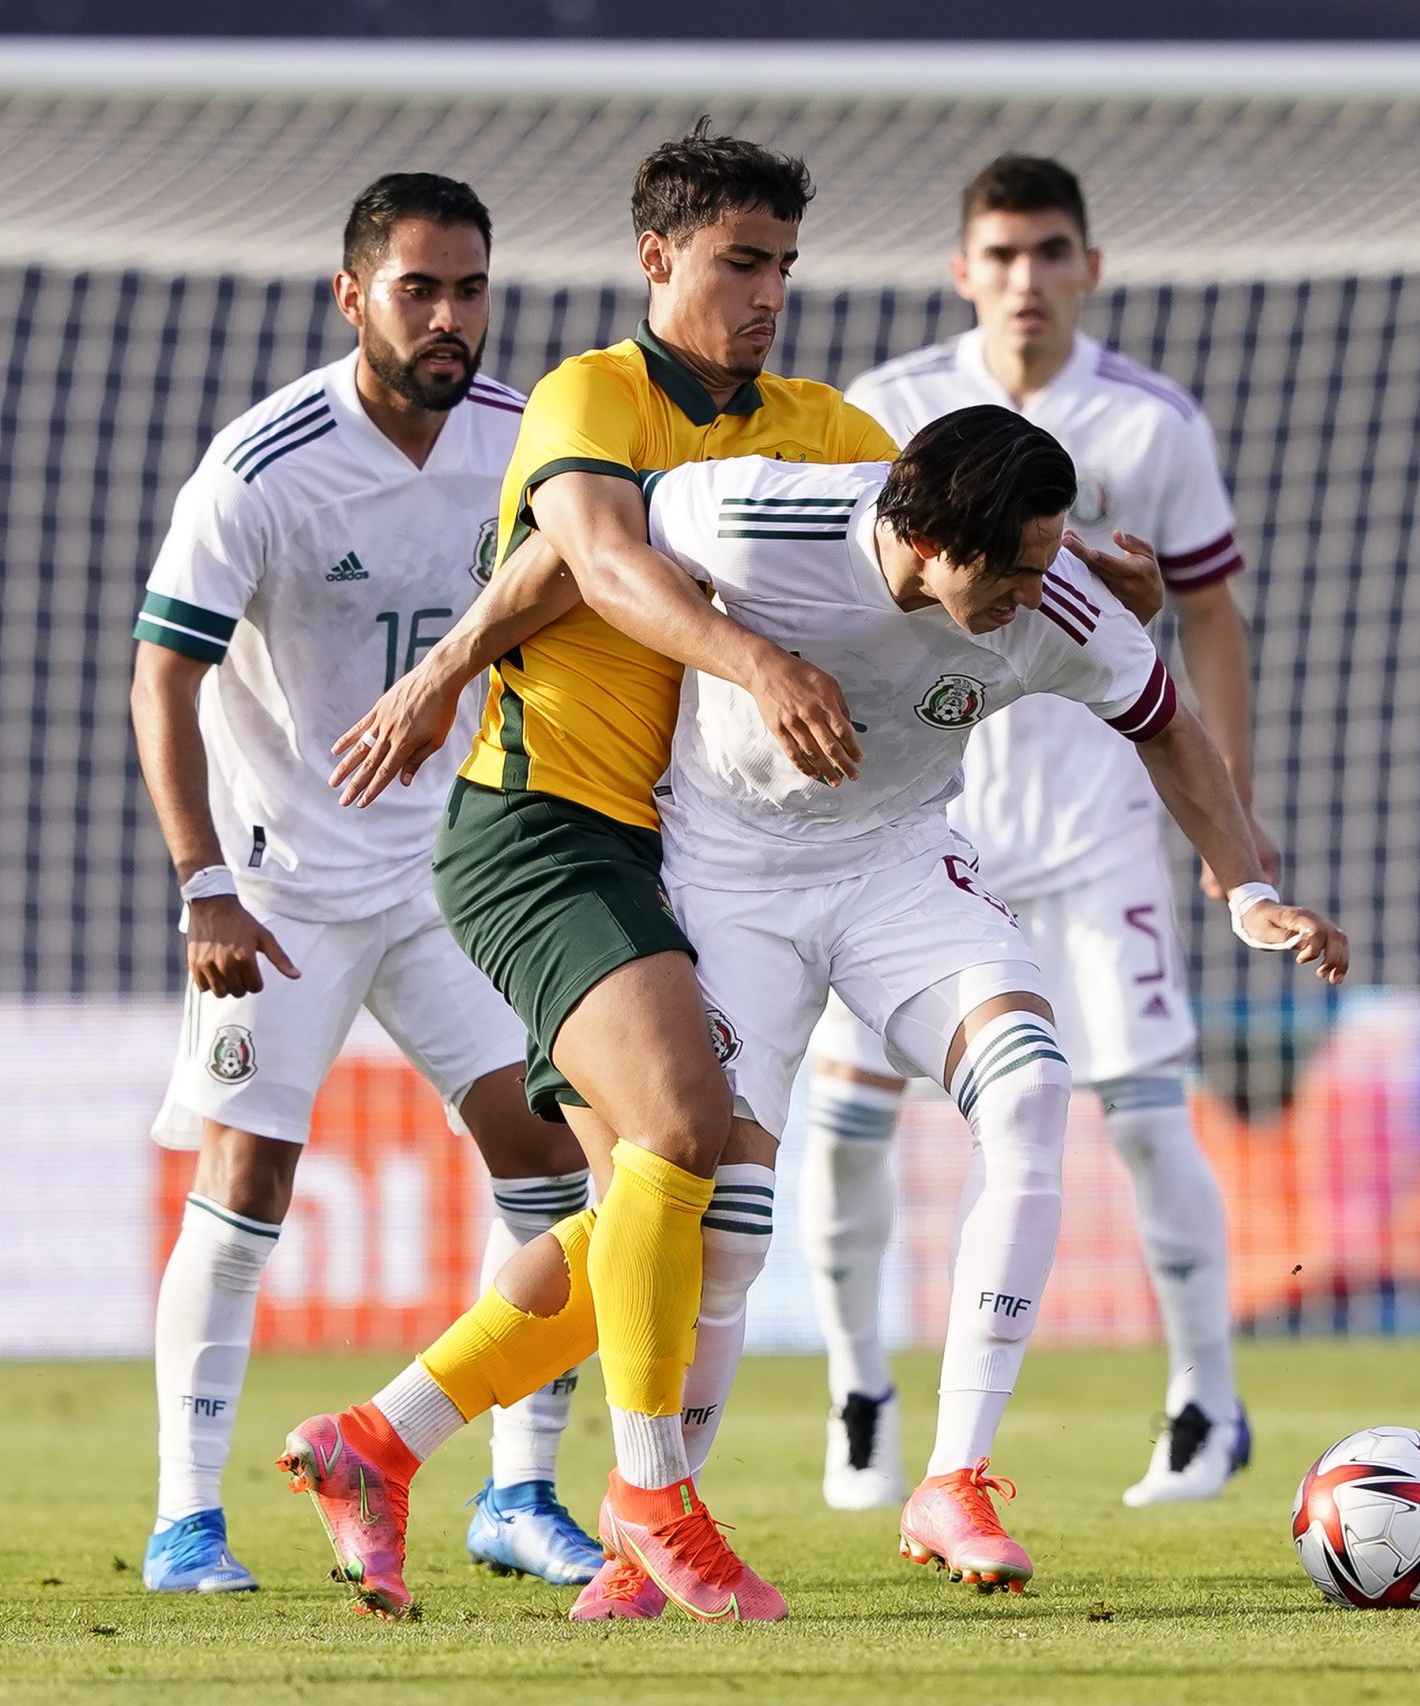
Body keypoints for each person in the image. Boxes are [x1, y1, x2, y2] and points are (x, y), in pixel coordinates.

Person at [301, 405, 1346, 1616]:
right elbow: (583, 542)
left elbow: (1164, 722)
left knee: (1032, 1085)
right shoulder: (759, 511)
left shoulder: (1051, 596)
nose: (1033, 585)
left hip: (898, 868)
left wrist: (1250, 889)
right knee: (715, 1231)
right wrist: (447, 667)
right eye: (1008, 564)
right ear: (928, 533)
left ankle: (953, 1474)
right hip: (731, 878)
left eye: (1046, 556)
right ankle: (596, 1517)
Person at [279, 122, 895, 1624]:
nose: (767, 294)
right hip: (543, 828)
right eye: (740, 262)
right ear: (656, 257)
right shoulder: (591, 395)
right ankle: (651, 1506)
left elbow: (937, 531)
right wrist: (759, 658)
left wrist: (1074, 559)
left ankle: (380, 1438)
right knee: (685, 1129)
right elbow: (601, 563)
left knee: (692, 1207)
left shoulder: (814, 424)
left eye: (784, 268)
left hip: (691, 853)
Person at [130, 175, 600, 1595]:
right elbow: (164, 675)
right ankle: (184, 1518)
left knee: (565, 1167)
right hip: (278, 891)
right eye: (419, 289)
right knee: (247, 1175)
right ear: (353, 296)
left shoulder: (530, 443)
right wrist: (203, 879)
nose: (450, 317)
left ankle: (519, 1494)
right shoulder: (262, 466)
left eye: (469, 289)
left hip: (457, 875)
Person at [799, 156, 1270, 1511]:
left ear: (1089, 269)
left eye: (1049, 251)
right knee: (846, 1123)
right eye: (999, 254)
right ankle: (858, 1386)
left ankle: (1206, 1402)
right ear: (962, 271)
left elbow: (1212, 616)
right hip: (907, 825)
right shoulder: (884, 412)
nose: (1025, 278)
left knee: (1140, 1110)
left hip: (1099, 824)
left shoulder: (1153, 424)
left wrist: (1228, 803)